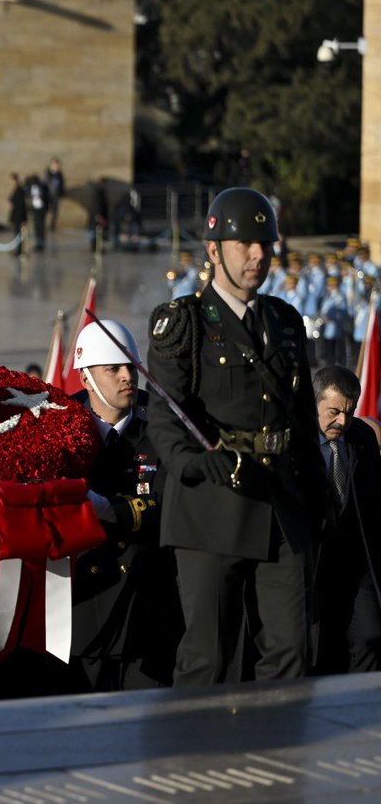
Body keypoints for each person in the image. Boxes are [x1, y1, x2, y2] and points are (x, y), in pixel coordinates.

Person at [147, 187, 325, 686]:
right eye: (244, 243)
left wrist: (319, 491)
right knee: (209, 658)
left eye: (265, 244)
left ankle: (276, 758)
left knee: (291, 651)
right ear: (213, 249)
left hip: (282, 504)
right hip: (213, 504)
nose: (257, 255)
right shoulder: (182, 322)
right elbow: (166, 414)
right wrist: (192, 461)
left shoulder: (284, 321)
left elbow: (302, 416)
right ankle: (200, 761)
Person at [70, 320, 181, 691]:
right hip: (83, 607)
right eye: (112, 369)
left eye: (130, 368)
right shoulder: (60, 425)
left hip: (146, 604)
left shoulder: (163, 424)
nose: (126, 377)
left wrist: (111, 510)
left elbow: (170, 502)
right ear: (86, 378)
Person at [311, 365, 381, 674]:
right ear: (314, 403)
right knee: (316, 646)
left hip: (353, 563)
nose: (342, 421)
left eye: (349, 413)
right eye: (334, 412)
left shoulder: (362, 437)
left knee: (370, 638)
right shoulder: (296, 439)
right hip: (310, 563)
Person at [45, 157, 66, 231]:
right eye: (55, 164)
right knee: (46, 210)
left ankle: (52, 226)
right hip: (48, 195)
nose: (57, 166)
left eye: (57, 164)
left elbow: (62, 184)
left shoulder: (59, 174)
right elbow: (46, 183)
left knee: (55, 212)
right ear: (52, 164)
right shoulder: (48, 172)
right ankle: (44, 225)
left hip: (56, 196)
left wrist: (62, 194)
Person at [7, 173, 27, 249]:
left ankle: (19, 250)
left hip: (19, 215)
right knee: (15, 233)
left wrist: (12, 204)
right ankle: (17, 249)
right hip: (15, 215)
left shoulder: (20, 190)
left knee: (18, 233)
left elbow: (21, 203)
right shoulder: (15, 189)